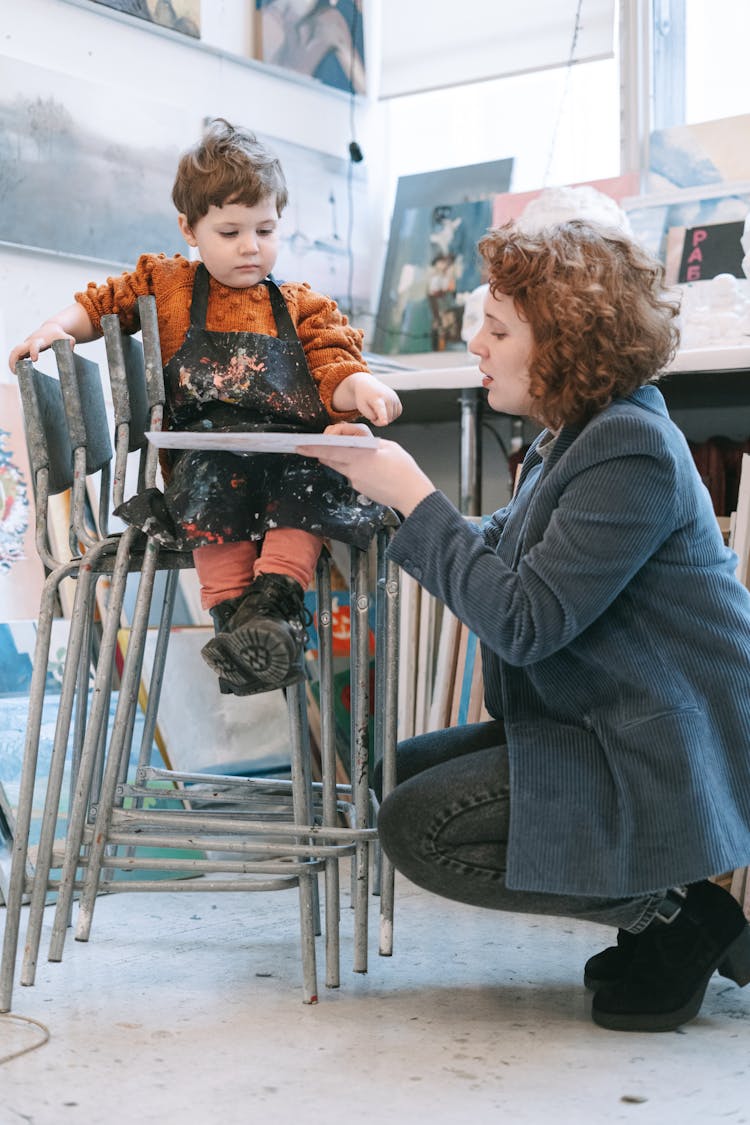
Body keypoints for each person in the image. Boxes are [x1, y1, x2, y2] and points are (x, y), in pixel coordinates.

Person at [299, 218, 750, 1033]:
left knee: (418, 824)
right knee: (391, 778)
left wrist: (413, 497)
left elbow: (524, 620)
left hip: (663, 746)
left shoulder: (631, 449)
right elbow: (493, 549)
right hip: (602, 724)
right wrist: (377, 491)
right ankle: (660, 918)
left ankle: (677, 916)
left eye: (499, 328)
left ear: (567, 343)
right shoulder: (573, 438)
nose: (477, 342)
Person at [9, 118, 401, 696]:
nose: (250, 246)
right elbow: (100, 306)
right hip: (206, 455)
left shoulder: (304, 306)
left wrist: (360, 390)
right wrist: (51, 328)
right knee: (211, 488)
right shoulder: (166, 286)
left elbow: (333, 369)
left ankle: (274, 610)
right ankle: (235, 620)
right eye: (230, 231)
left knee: (317, 474)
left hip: (288, 452)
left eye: (266, 230)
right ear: (189, 229)